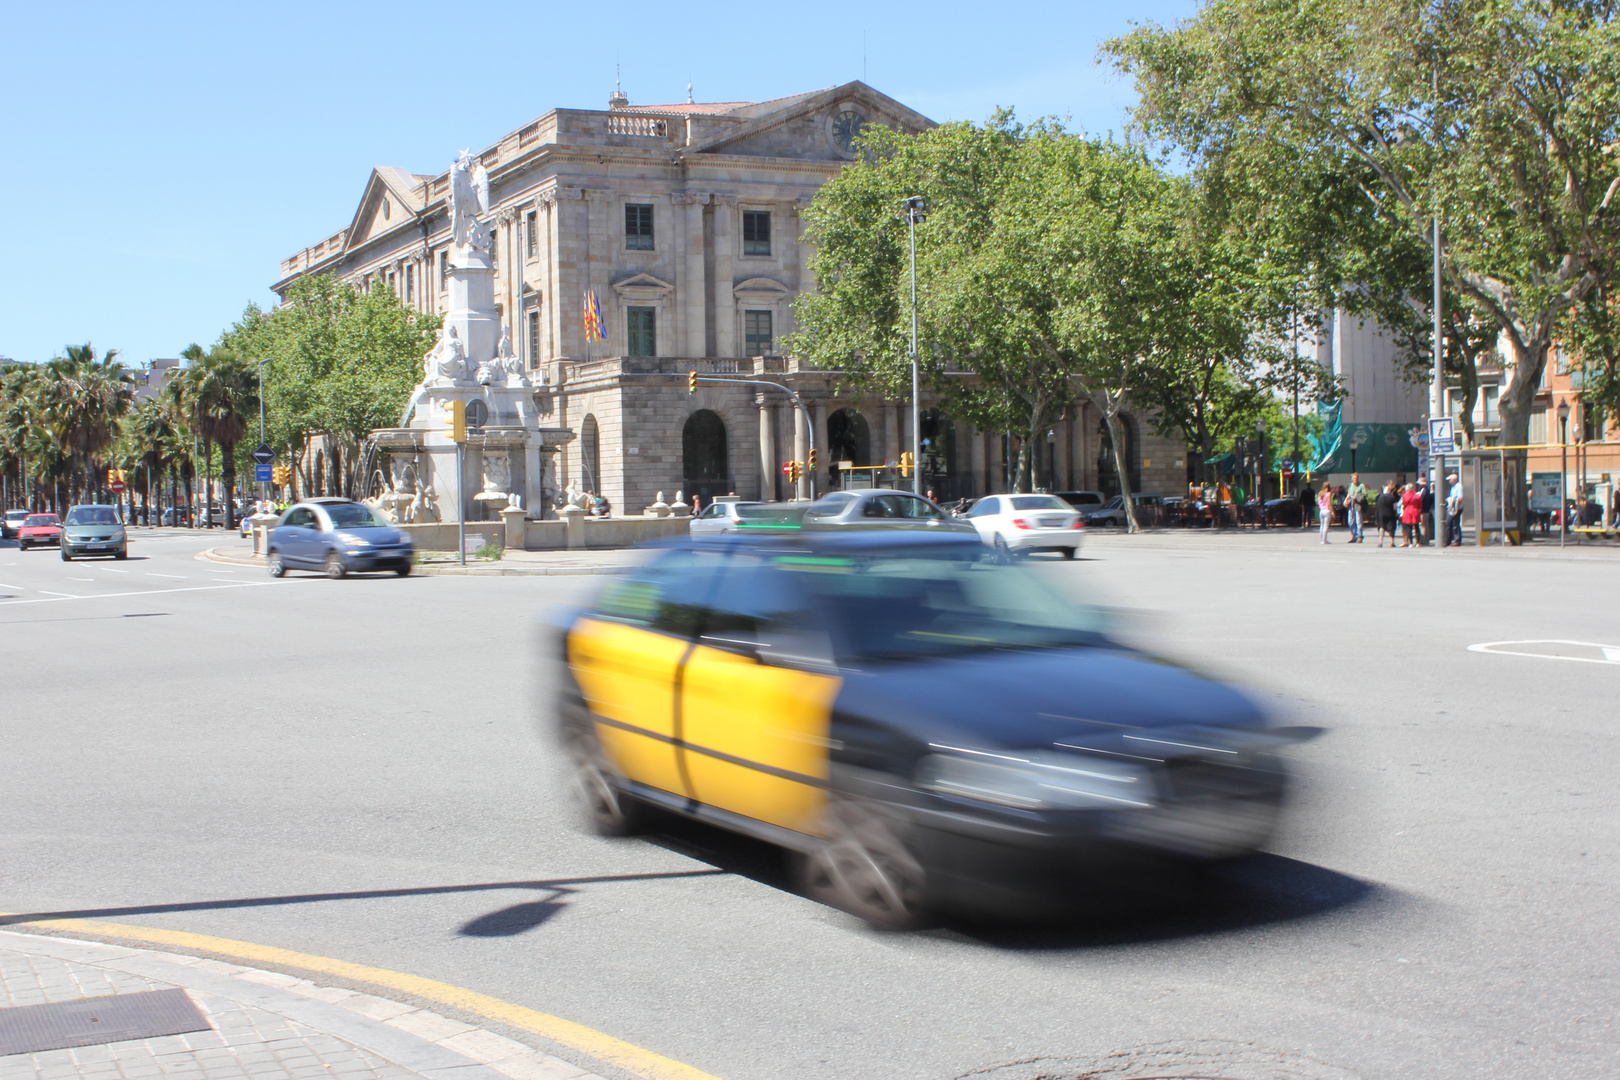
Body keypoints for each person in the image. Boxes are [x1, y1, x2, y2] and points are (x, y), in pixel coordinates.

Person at [1344, 472, 1369, 543]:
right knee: (1350, 521)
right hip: (1351, 505)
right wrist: (1346, 500)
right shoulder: (1351, 485)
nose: (1355, 479)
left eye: (1356, 478)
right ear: (1352, 478)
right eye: (1354, 478)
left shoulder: (1361, 485)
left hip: (1358, 505)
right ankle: (1354, 535)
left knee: (1359, 521)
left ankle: (1359, 536)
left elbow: (1365, 494)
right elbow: (1349, 493)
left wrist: (1357, 496)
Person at [1375, 481, 1399, 547]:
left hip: (1381, 515)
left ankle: (1380, 542)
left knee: (1382, 528)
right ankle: (1392, 542)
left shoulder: (1380, 497)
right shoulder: (1392, 498)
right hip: (1390, 515)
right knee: (1391, 528)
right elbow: (1395, 507)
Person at [1400, 482, 1422, 547]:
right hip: (1415, 511)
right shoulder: (1417, 495)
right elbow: (1420, 504)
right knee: (1417, 527)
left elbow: (1404, 503)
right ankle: (1418, 542)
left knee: (1409, 527)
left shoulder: (1405, 495)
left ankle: (1411, 543)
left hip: (1408, 511)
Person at [1445, 472, 1464, 546]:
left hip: (1456, 508)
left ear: (1454, 480)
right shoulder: (1453, 487)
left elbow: (1461, 497)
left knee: (1455, 523)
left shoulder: (1459, 486)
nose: (1449, 481)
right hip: (1452, 507)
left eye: (1450, 480)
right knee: (1449, 523)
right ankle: (1449, 539)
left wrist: (1454, 504)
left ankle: (1457, 540)